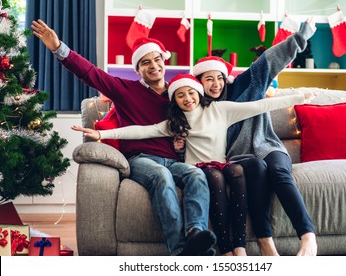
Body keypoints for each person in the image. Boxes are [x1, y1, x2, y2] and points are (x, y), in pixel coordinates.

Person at [71, 73, 313, 256]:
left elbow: (259, 106)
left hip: (221, 162)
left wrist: (300, 97)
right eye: (180, 95)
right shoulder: (174, 123)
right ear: (174, 99)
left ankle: (238, 246)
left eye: (191, 93)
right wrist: (102, 135)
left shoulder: (220, 109)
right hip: (197, 168)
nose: (187, 98)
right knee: (214, 178)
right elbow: (141, 131)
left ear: (199, 93)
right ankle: (224, 247)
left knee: (238, 170)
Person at [31, 19, 216, 256]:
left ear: (164, 61)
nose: (153, 66)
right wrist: (59, 48)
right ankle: (179, 250)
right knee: (160, 176)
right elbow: (90, 73)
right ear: (138, 70)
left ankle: (195, 237)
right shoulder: (125, 90)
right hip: (141, 159)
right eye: (145, 62)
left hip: (174, 160)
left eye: (157, 59)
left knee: (197, 174)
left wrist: (181, 147)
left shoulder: (179, 94)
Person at [191, 18, 318, 256]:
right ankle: (264, 240)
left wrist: (301, 37)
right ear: (199, 82)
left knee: (278, 171)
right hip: (239, 157)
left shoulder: (245, 84)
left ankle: (307, 235)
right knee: (258, 170)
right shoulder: (200, 107)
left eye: (219, 77)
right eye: (208, 79)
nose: (216, 84)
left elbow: (271, 59)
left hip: (268, 145)